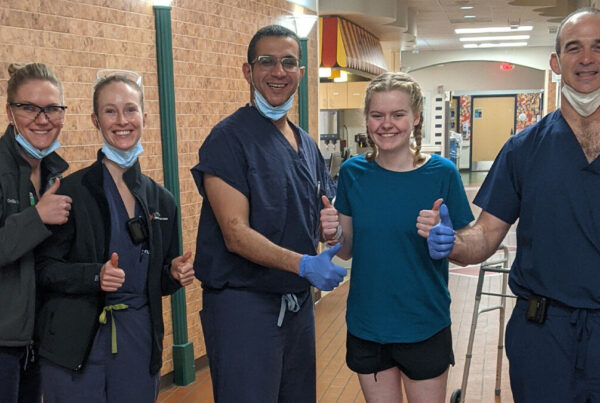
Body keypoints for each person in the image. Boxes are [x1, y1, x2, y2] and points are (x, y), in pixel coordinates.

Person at [425, 7, 600, 403]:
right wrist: (451, 242)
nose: (587, 59)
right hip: (544, 333)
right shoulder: (524, 149)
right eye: (574, 48)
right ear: (556, 62)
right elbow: (486, 232)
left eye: (597, 47)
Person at [191, 25, 346, 402]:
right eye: (267, 61)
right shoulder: (228, 139)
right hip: (243, 307)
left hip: (295, 307)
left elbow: (326, 212)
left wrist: (332, 227)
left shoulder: (307, 145)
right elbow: (234, 232)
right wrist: (303, 265)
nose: (279, 72)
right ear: (248, 71)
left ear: (301, 74)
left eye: (289, 63)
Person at [34, 70, 195, 403]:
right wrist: (95, 275)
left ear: (144, 117)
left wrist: (175, 275)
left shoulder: (162, 201)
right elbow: (43, 269)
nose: (122, 120)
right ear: (96, 120)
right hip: (76, 344)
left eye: (130, 109)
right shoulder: (70, 193)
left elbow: (160, 279)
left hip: (138, 341)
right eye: (110, 111)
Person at [320, 72, 474, 402]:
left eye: (398, 114)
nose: (386, 124)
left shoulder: (442, 173)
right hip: (368, 324)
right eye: (377, 115)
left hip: (423, 323)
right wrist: (332, 233)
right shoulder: (352, 174)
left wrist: (448, 240)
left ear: (416, 117)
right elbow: (347, 251)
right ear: (367, 119)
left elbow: (464, 250)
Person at [0, 63, 71, 403]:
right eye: (29, 107)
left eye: (52, 108)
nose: (42, 119)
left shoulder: (57, 174)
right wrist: (37, 217)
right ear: (9, 111)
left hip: (38, 341)